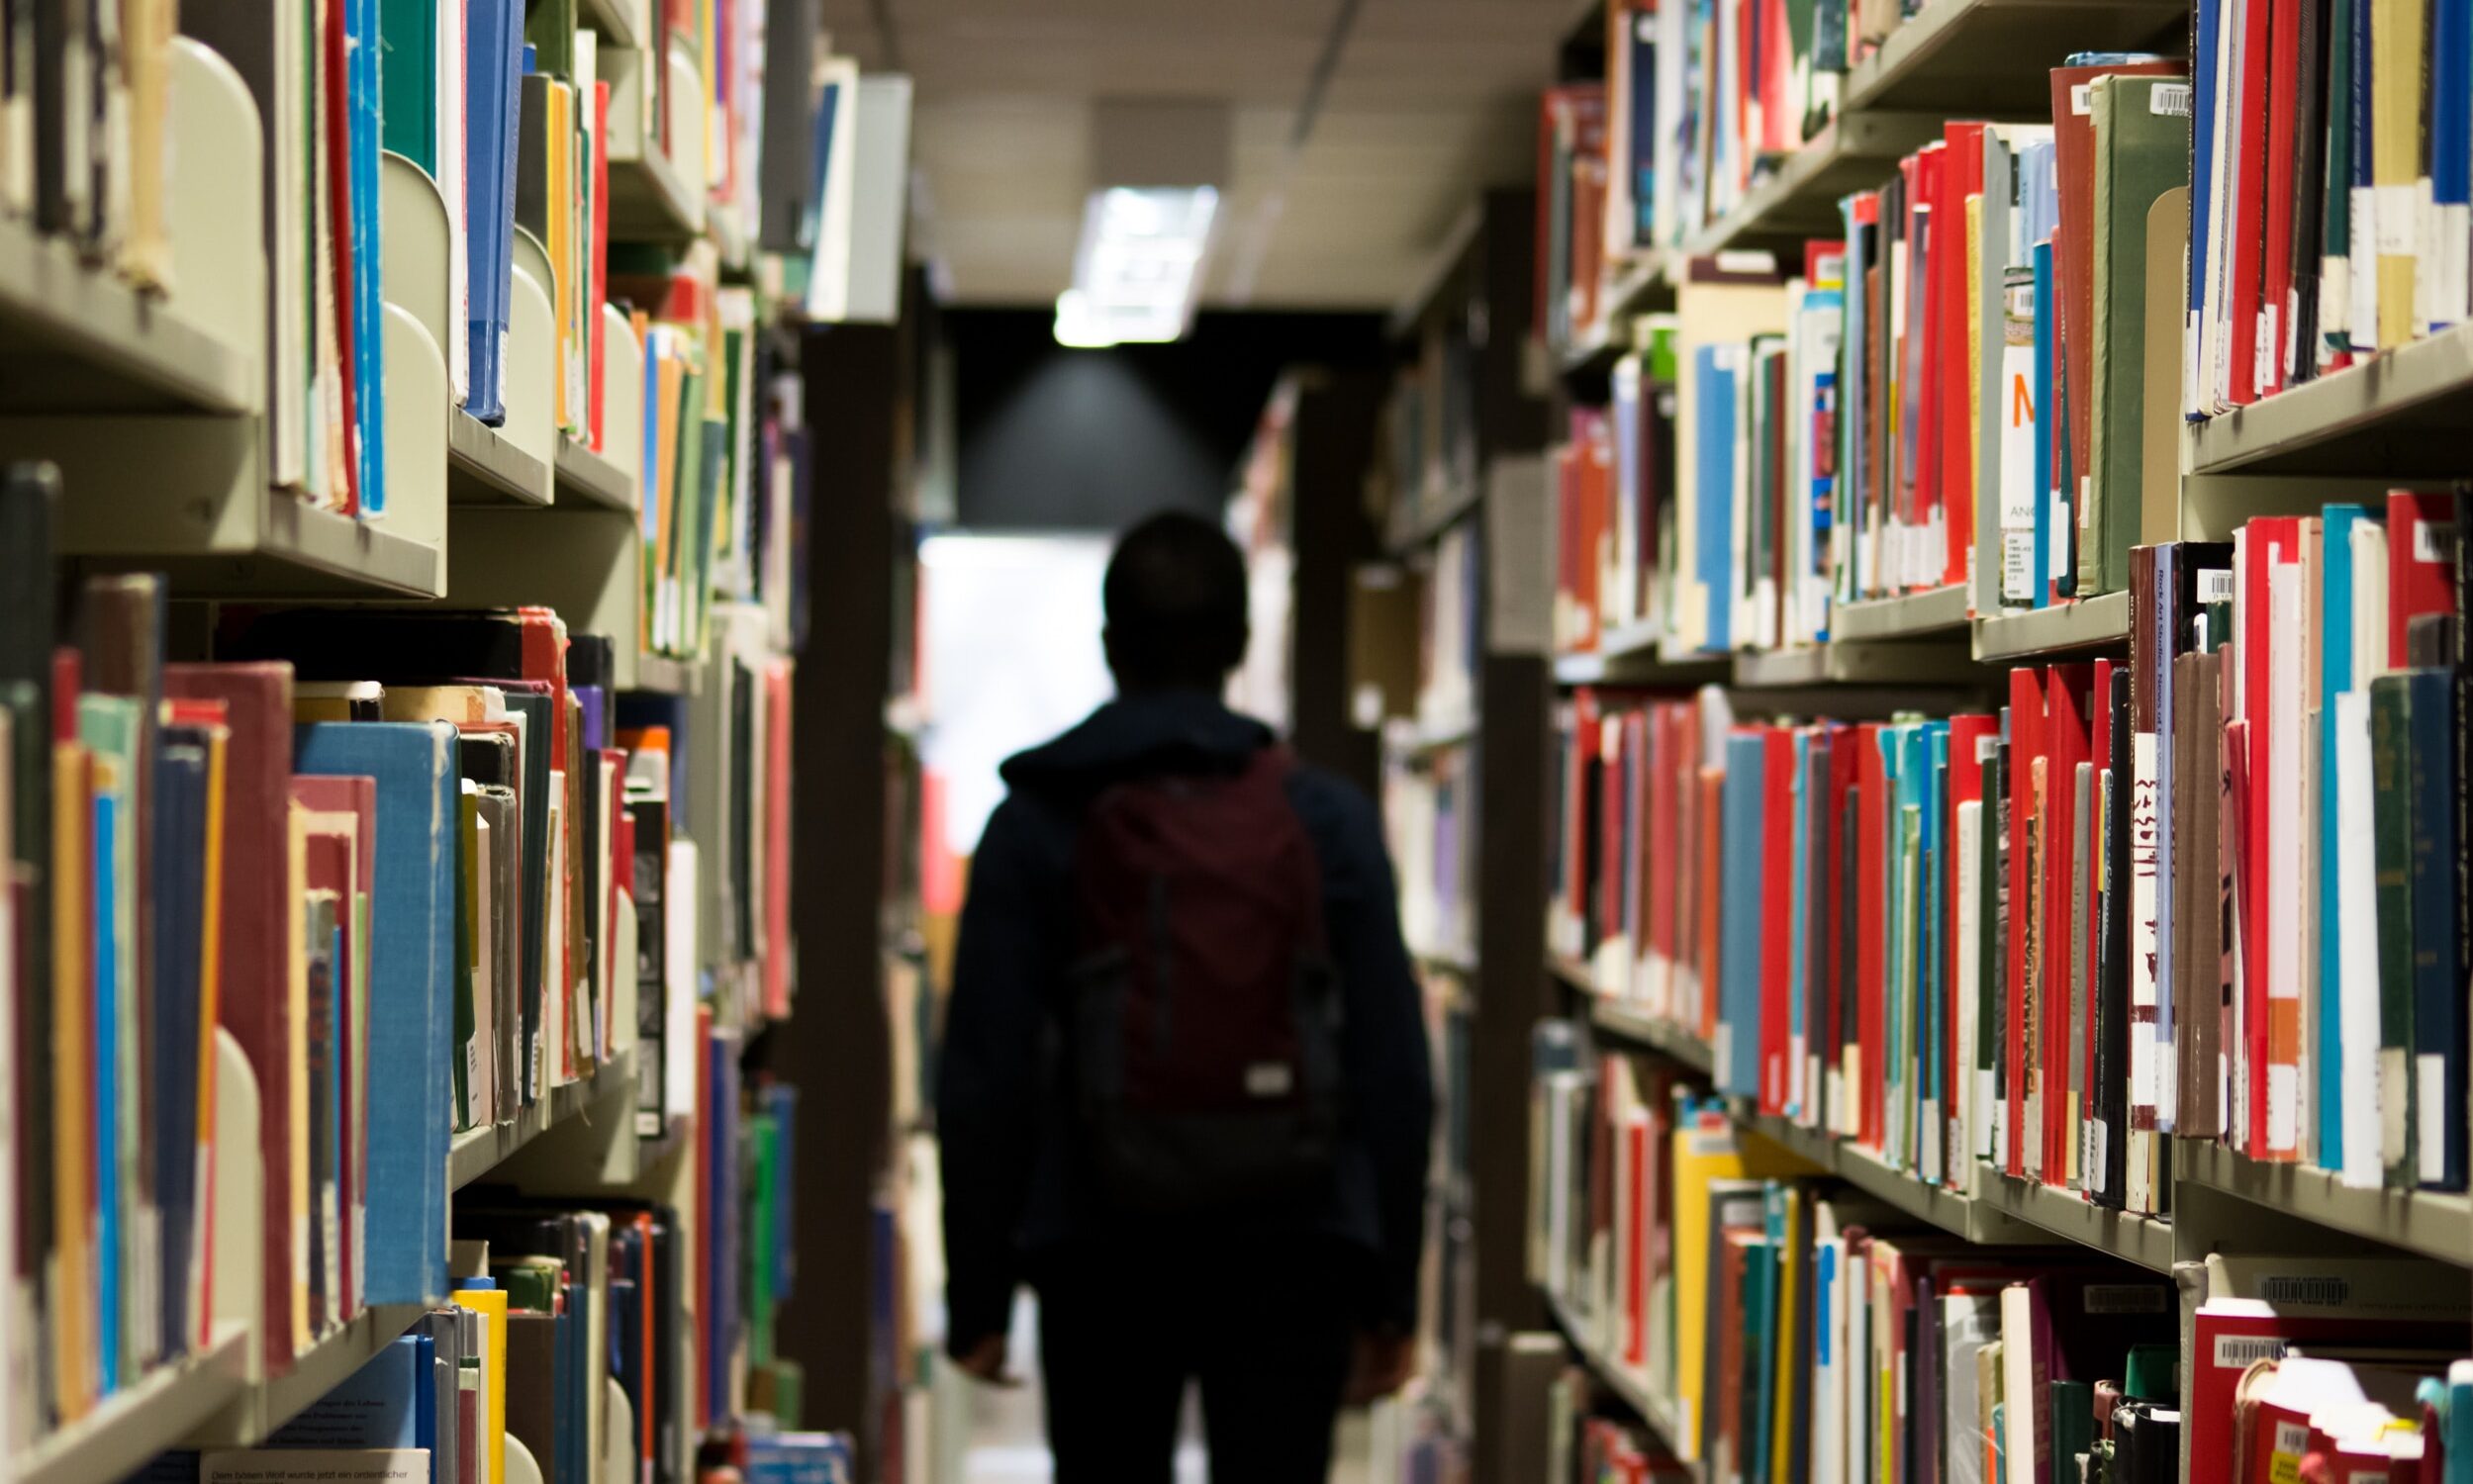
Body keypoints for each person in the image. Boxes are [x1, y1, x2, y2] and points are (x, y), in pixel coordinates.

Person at [938, 510, 1436, 1482]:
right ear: (1242, 645)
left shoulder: (1037, 820)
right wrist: (1391, 1292)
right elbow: (1393, 1069)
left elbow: (984, 1073)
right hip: (1297, 1242)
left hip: (1099, 1245)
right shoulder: (1324, 818)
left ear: (1110, 646)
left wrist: (981, 1298)